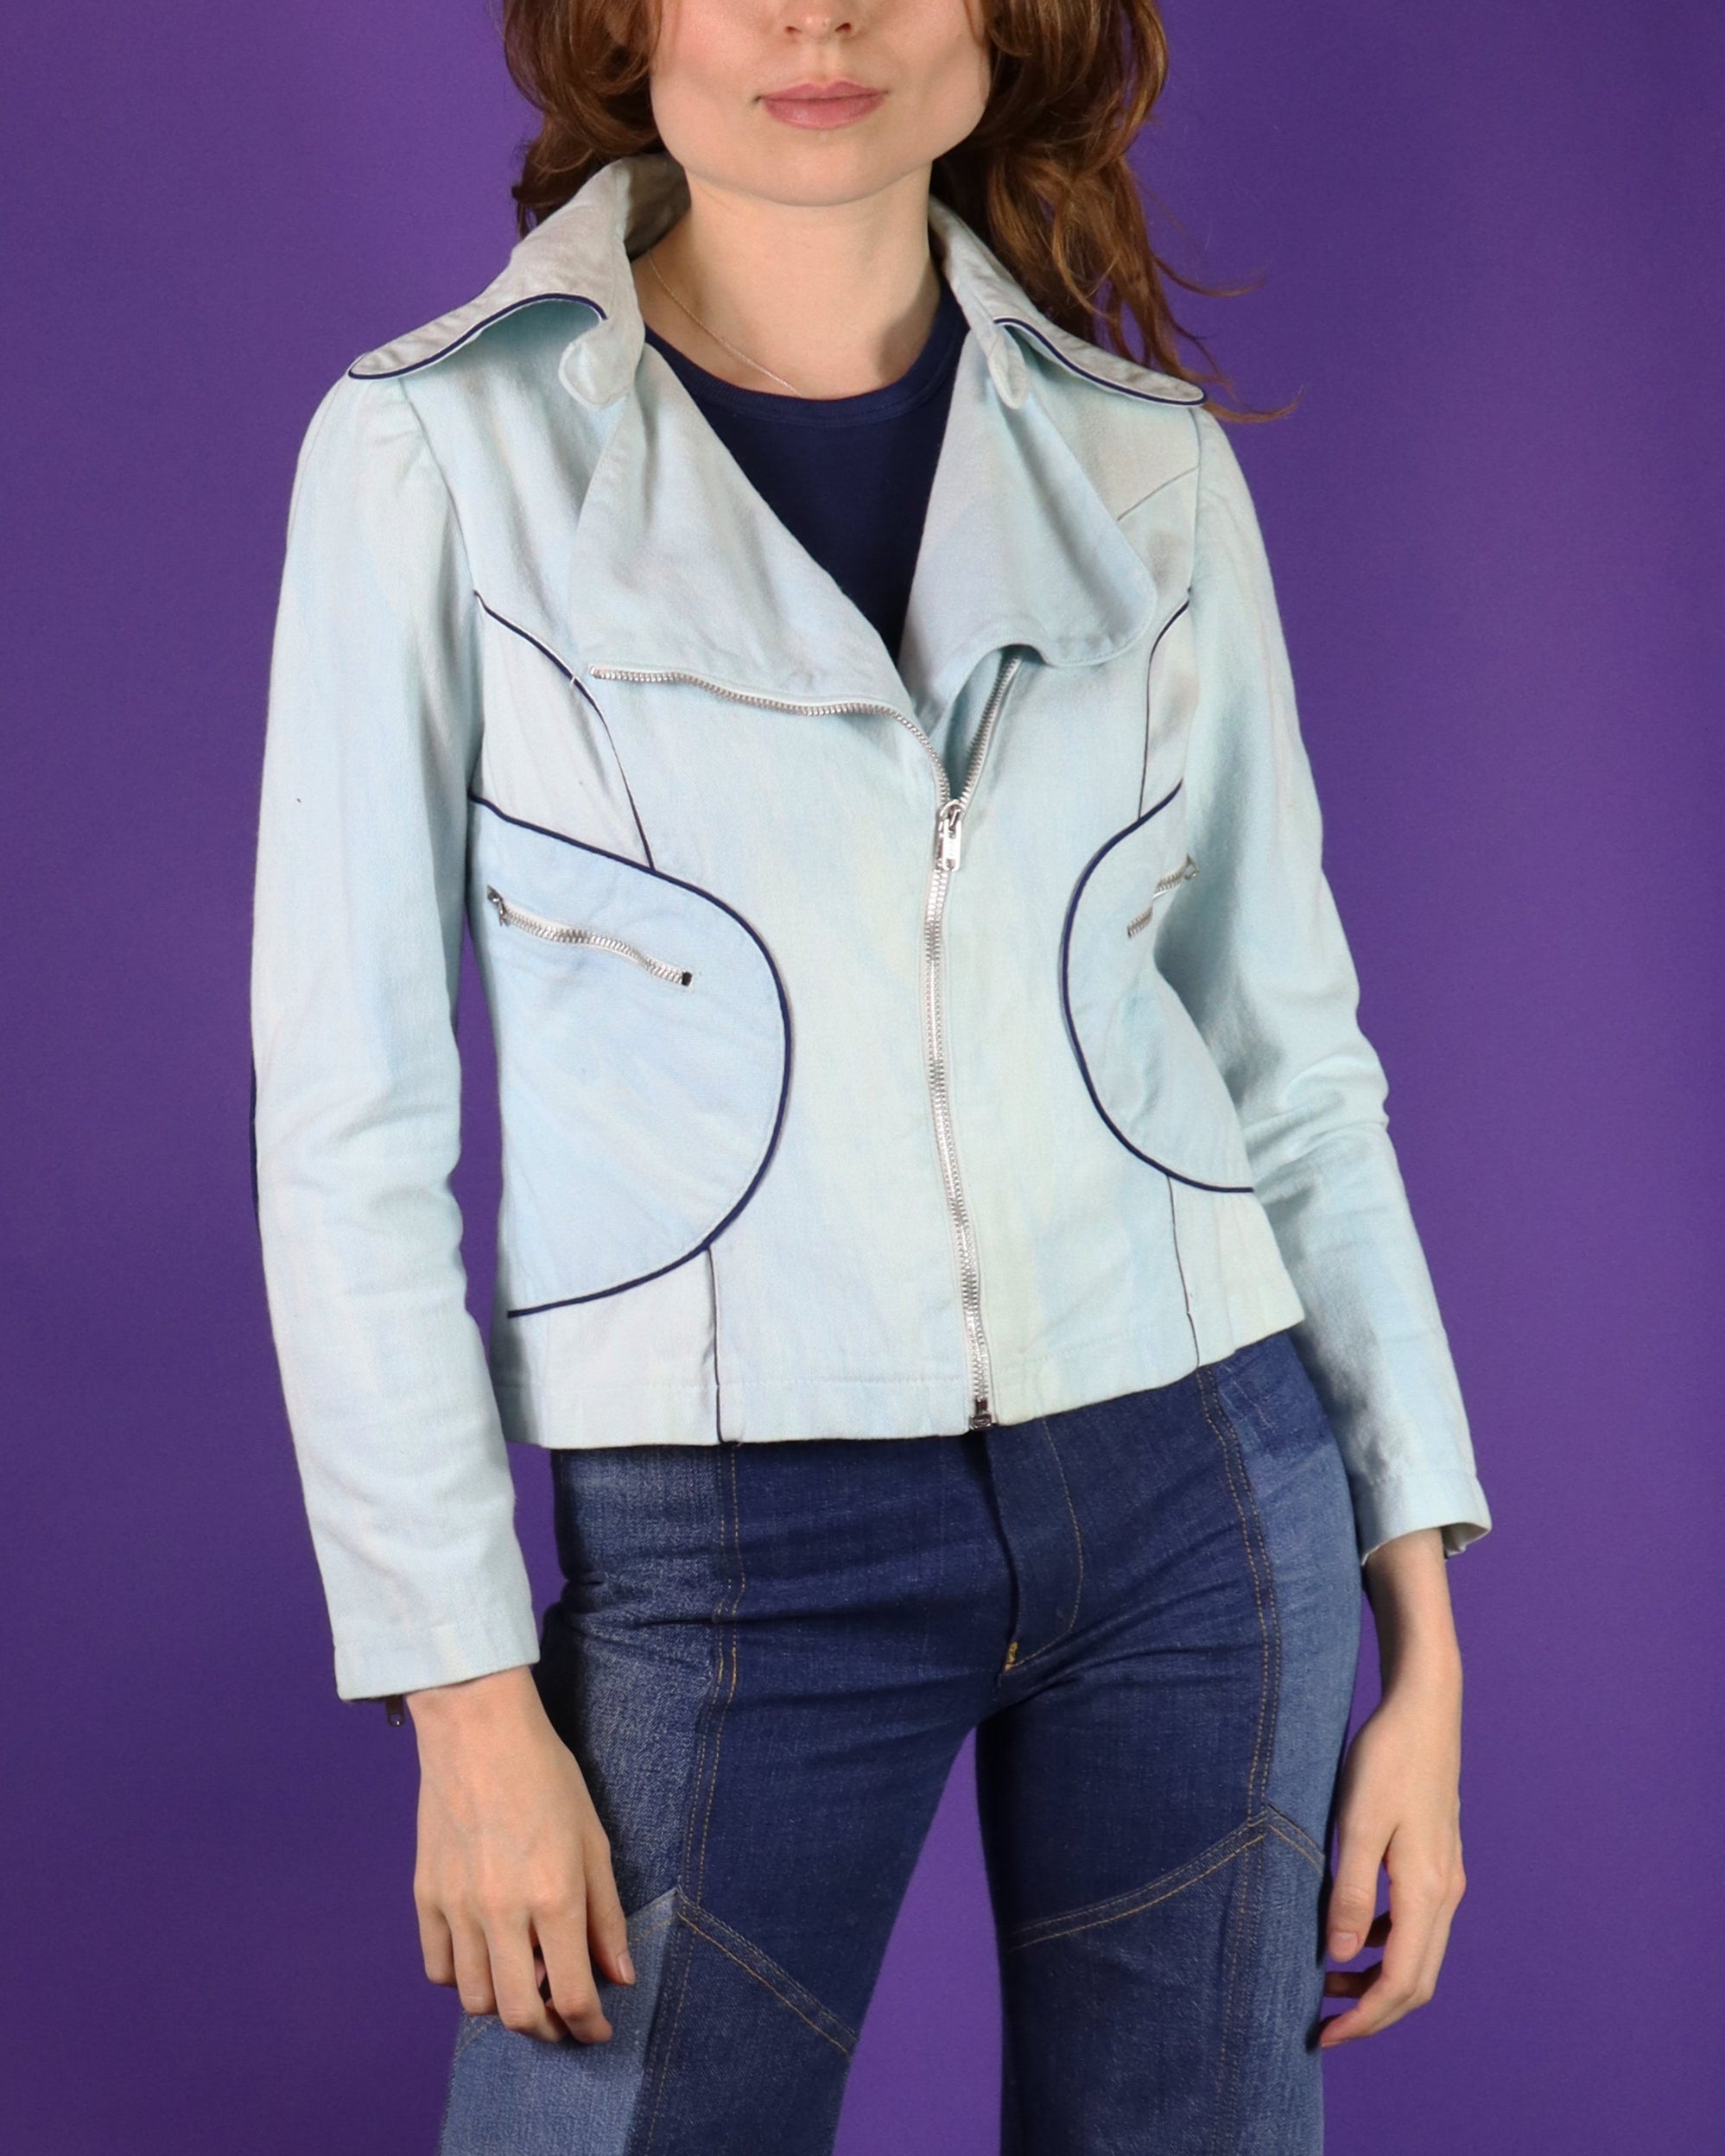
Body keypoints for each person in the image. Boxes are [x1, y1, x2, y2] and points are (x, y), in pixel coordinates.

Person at [249, 1, 1492, 2148]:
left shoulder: (1149, 463)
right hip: (730, 1542)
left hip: (1203, 1504)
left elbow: (1293, 1064)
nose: (817, 17)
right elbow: (347, 1128)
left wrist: (1431, 1653)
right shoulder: (438, 452)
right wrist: (460, 1697)